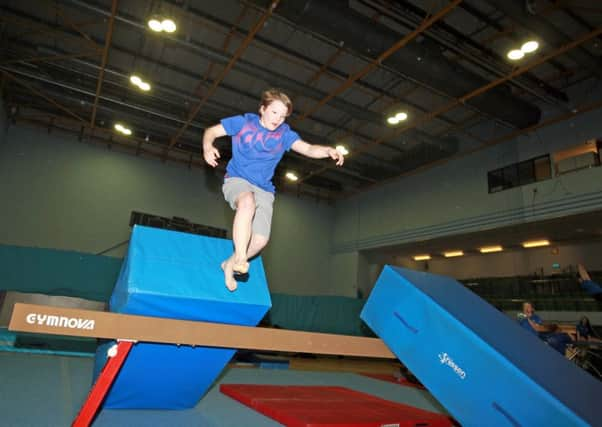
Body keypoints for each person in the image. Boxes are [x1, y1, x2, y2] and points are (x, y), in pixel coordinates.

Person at [202, 88, 344, 291]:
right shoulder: (244, 123)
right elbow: (212, 131)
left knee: (259, 241)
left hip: (265, 189)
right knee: (246, 202)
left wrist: (328, 150)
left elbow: (308, 148)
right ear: (262, 109)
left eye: (283, 116)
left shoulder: (284, 134)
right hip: (237, 179)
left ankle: (229, 264)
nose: (278, 119)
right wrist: (208, 146)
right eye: (274, 112)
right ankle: (241, 258)